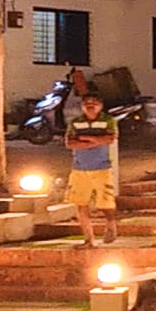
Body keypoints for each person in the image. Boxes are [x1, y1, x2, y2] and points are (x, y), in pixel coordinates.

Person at [65, 84, 118, 237]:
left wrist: (84, 138)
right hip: (79, 169)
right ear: (82, 106)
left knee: (106, 202)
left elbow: (110, 139)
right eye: (87, 103)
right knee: (80, 204)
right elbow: (70, 143)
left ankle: (111, 226)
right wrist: (96, 141)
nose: (90, 106)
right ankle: (89, 239)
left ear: (100, 106)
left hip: (102, 168)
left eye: (94, 103)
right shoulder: (75, 122)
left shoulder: (108, 120)